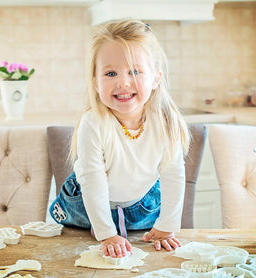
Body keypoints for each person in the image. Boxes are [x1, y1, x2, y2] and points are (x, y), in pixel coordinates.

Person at [50, 18, 190, 259]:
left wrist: (167, 225)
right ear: (95, 82)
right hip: (84, 202)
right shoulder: (92, 123)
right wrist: (106, 234)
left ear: (155, 78)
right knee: (68, 245)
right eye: (111, 73)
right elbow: (93, 182)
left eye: (135, 71)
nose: (123, 82)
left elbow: (173, 175)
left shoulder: (166, 122)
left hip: (139, 203)